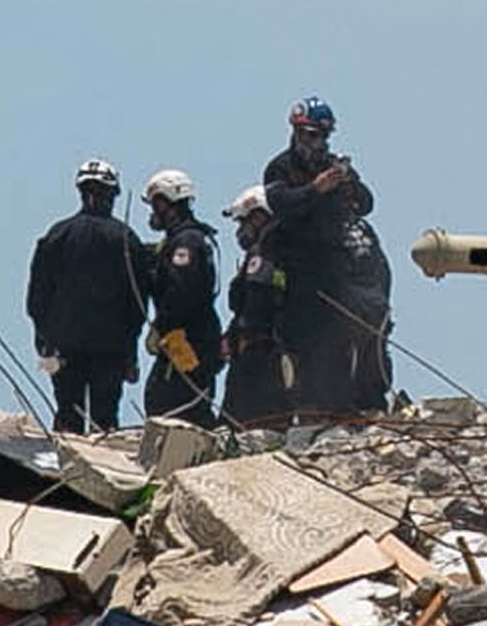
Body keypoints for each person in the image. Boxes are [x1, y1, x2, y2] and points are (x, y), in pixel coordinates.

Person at [259, 96, 391, 417]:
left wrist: (348, 183)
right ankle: (310, 409)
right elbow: (281, 203)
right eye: (311, 135)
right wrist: (314, 190)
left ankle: (349, 406)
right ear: (297, 133)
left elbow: (367, 203)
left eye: (323, 136)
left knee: (343, 338)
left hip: (335, 269)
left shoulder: (332, 165)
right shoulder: (281, 167)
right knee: (303, 342)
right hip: (300, 271)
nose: (317, 143)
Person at [27, 159, 147, 434]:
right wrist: (130, 352)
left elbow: (37, 297)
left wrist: (43, 339)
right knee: (105, 423)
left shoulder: (57, 235)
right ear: (113, 194)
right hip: (110, 349)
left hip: (64, 346)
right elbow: (137, 304)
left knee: (68, 417)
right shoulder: (125, 239)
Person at [134, 169, 224, 425]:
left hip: (188, 341)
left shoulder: (186, 242)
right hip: (189, 340)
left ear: (168, 204)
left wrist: (161, 326)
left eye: (155, 205)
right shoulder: (184, 240)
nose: (153, 212)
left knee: (172, 406)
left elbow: (182, 292)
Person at [217, 188, 297, 426]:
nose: (241, 230)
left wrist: (239, 337)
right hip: (278, 352)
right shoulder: (290, 251)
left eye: (244, 221)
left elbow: (255, 305)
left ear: (260, 217)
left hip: (258, 355)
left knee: (240, 426)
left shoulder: (264, 254)